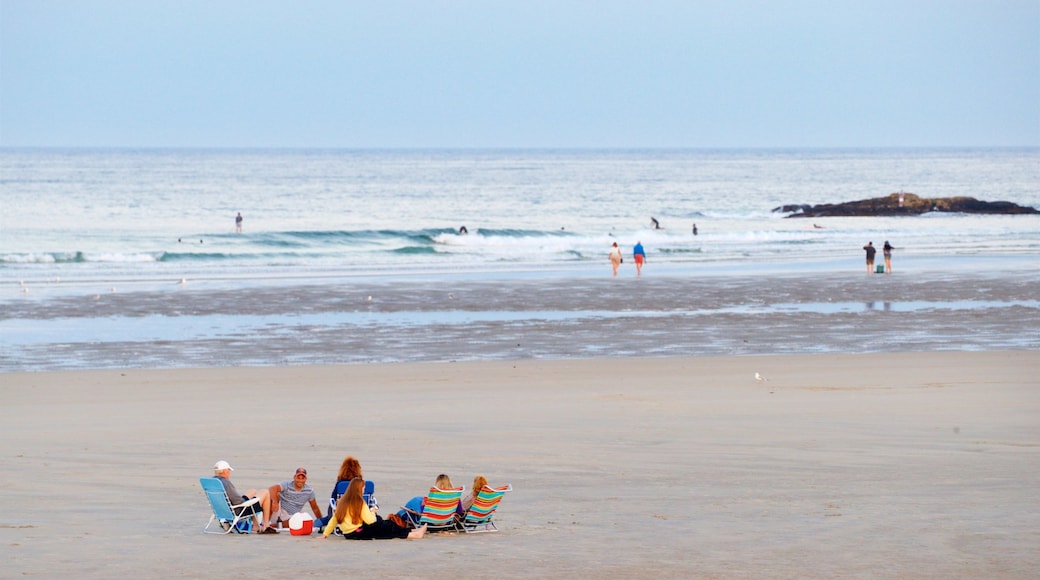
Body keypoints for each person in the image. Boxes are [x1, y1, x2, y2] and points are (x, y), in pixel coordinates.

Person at [322, 478, 426, 540]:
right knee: (386, 526)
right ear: (359, 489)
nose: (364, 490)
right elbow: (370, 521)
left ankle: (412, 531)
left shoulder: (342, 502)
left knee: (384, 524)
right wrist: (373, 511)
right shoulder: (359, 502)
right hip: (359, 532)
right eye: (363, 488)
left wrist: (325, 534)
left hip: (349, 534)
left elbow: (334, 519)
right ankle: (413, 534)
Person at [212, 460, 278, 534]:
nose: (229, 472)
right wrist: (247, 501)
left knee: (252, 491)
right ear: (224, 471)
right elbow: (238, 501)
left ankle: (255, 525)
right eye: (228, 470)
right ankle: (266, 525)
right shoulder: (226, 483)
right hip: (238, 510)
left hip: (223, 510)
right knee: (265, 492)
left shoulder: (214, 482)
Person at [315, 456, 365, 531]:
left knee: (318, 522)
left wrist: (331, 515)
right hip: (358, 515)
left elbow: (333, 500)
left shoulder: (340, 484)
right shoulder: (361, 484)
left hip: (341, 514)